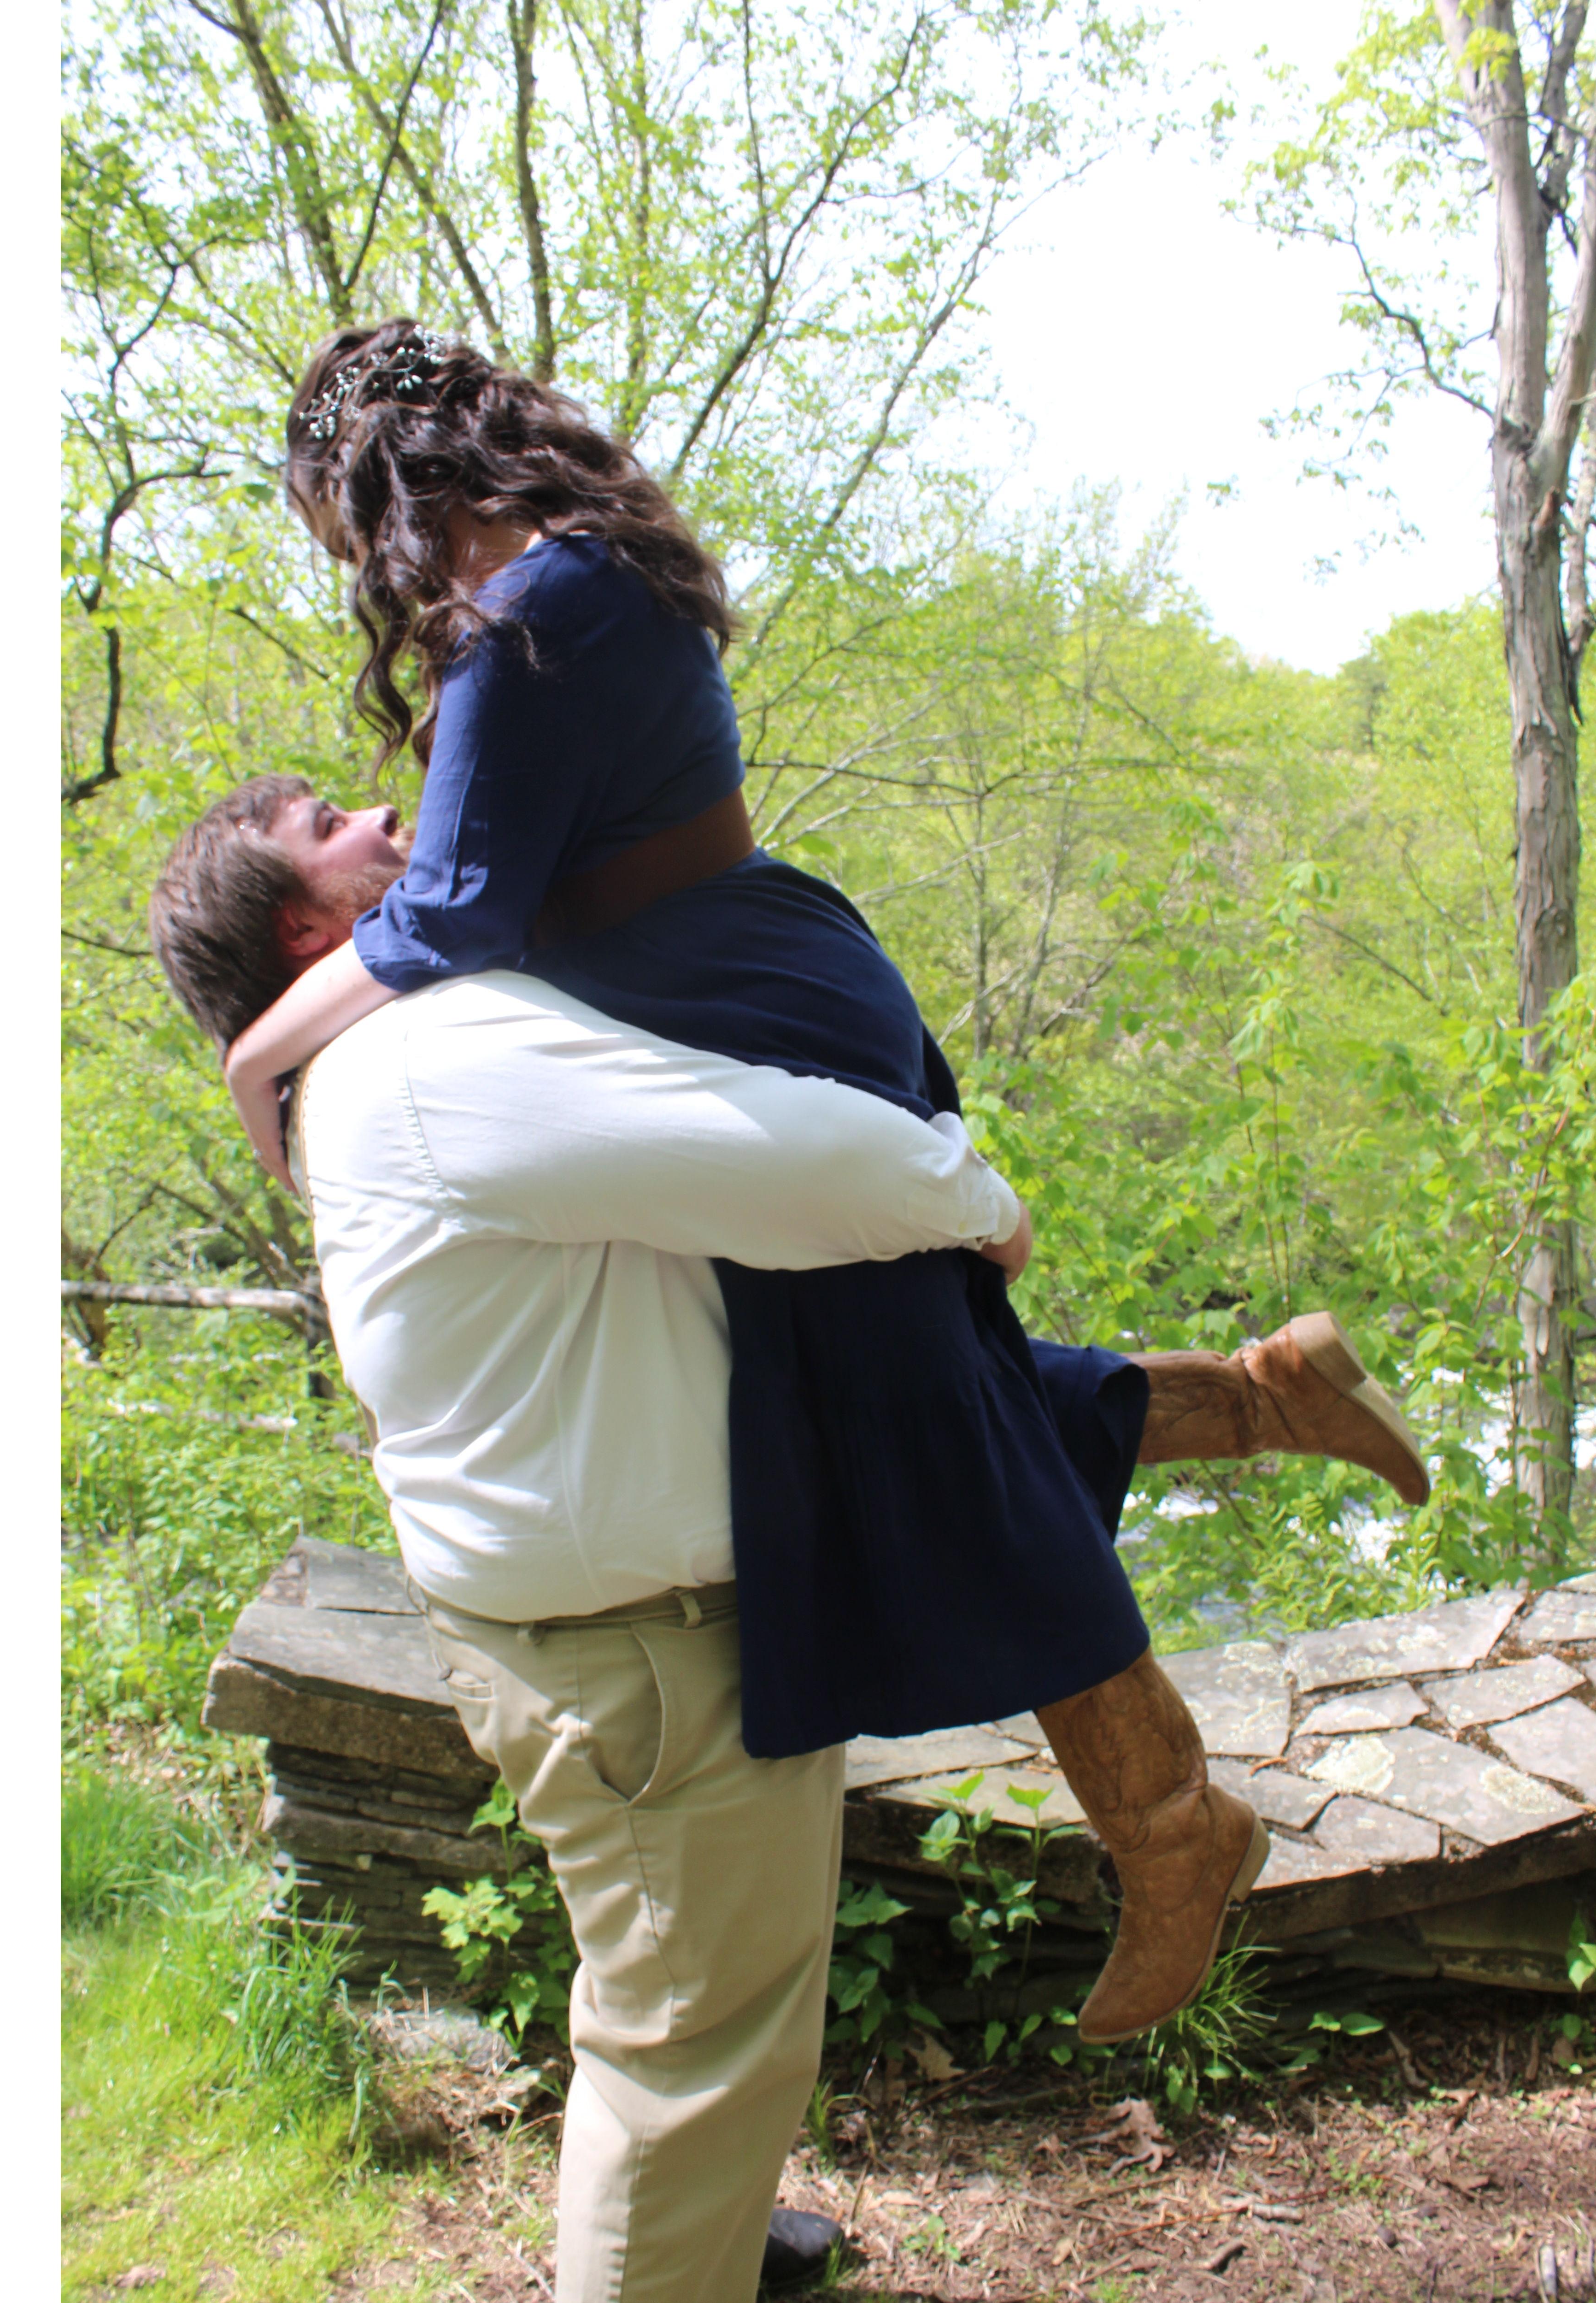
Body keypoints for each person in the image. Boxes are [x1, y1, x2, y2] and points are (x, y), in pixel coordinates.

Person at [173, 317, 1431, 2051]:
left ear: (386, 481)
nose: (359, 570)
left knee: (934, 1440)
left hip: (740, 1003)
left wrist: (256, 1055)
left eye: (344, 527)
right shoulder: (574, 583)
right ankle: (1267, 1400)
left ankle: (1174, 1831)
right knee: (912, 1405)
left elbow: (455, 915)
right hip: (740, 987)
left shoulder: (534, 613)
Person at [146, 815, 1414, 2303]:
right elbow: (821, 1164)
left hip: (583, 1632)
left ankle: (724, 2244)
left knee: (688, 2005)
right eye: (333, 832)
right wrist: (979, 1198)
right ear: (296, 930)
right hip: (641, 1658)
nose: (392, 821)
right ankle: (670, 2291)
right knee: (688, 2061)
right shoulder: (434, 1058)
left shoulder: (377, 1064)